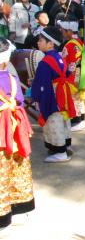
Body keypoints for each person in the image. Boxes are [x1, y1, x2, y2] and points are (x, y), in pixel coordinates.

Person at [0, 38, 35, 228]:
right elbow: (19, 101)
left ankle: (3, 216)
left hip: (1, 131)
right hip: (15, 129)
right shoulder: (12, 80)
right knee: (18, 166)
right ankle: (21, 207)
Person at [31, 26, 77, 163]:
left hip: (53, 95)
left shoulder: (45, 62)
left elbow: (42, 83)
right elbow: (63, 74)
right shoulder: (58, 57)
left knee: (53, 122)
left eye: (41, 40)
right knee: (64, 120)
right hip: (62, 94)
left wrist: (38, 98)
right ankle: (66, 145)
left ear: (50, 43)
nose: (38, 42)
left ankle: (60, 152)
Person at [57, 19, 85, 132]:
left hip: (72, 74)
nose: (61, 32)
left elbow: (65, 61)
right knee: (80, 97)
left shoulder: (69, 45)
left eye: (63, 30)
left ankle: (77, 119)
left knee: (74, 97)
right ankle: (81, 118)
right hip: (80, 72)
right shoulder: (78, 41)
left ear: (69, 31)